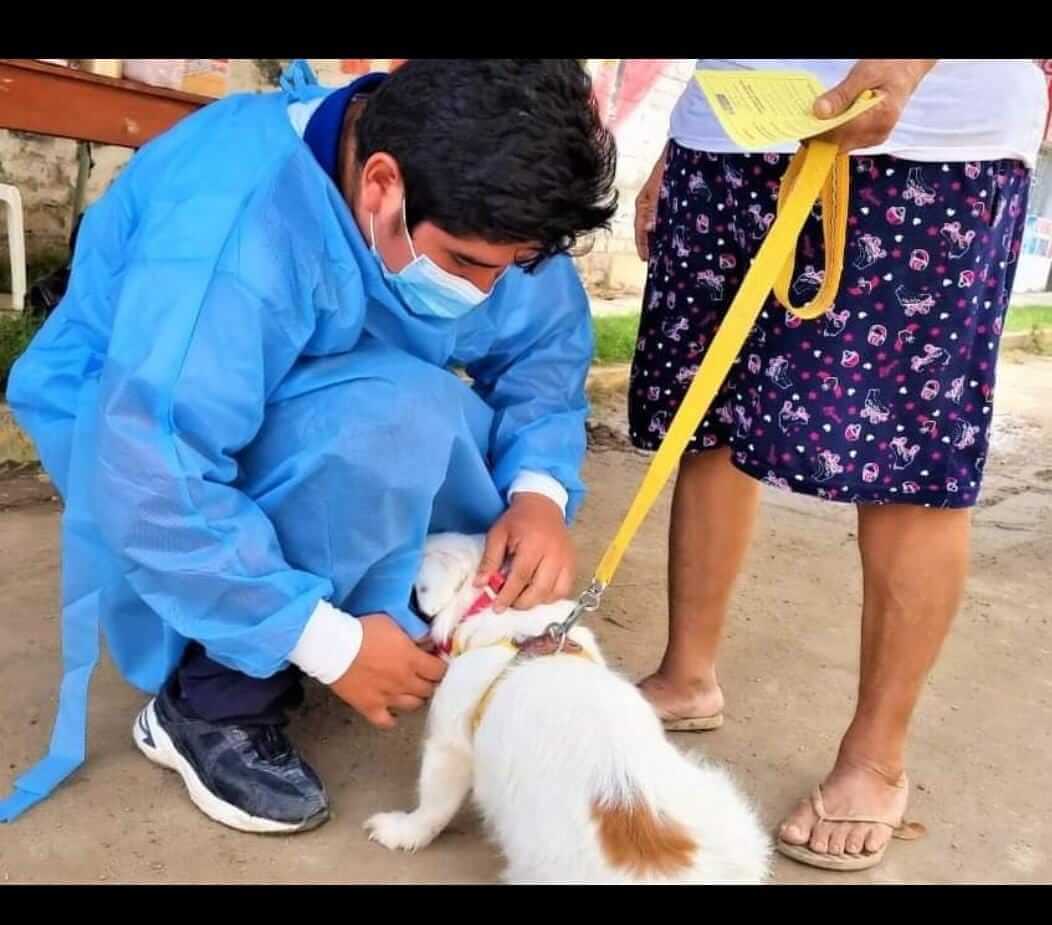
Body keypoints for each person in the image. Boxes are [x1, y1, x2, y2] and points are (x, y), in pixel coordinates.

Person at [2, 59, 617, 834]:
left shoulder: (470, 190)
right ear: (381, 186)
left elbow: (544, 345)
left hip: (309, 393)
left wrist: (538, 492)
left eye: (514, 265)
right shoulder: (231, 227)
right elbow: (157, 466)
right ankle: (212, 699)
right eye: (468, 265)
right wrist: (329, 644)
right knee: (395, 426)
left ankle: (372, 593)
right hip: (147, 419)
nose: (492, 290)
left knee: (418, 420)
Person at [630, 59, 1048, 871]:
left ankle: (876, 757)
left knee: (912, 458)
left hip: (930, 142)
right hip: (733, 126)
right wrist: (681, 143)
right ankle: (687, 676)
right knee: (713, 413)